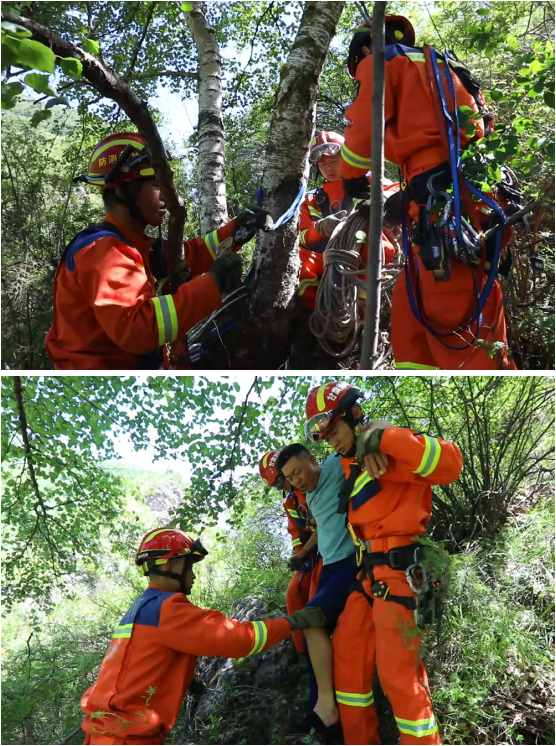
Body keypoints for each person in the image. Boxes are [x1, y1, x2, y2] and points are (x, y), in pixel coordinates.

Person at [341, 16, 516, 370]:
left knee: (450, 313)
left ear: (364, 49)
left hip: (442, 204)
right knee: (410, 314)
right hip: (474, 200)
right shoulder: (446, 67)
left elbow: (362, 131)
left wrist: (351, 177)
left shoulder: (381, 61)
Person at [305, 381, 463, 745]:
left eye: (335, 432)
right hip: (369, 577)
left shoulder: (391, 444)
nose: (333, 442)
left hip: (400, 573)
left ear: (354, 414)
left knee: (397, 675)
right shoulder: (350, 463)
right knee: (347, 656)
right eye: (326, 439)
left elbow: (450, 462)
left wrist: (385, 440)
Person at [80, 528, 326, 745]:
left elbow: (139, 661)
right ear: (170, 566)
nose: (193, 576)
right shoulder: (168, 608)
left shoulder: (140, 608)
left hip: (104, 735)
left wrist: (188, 681)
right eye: (189, 566)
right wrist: (294, 621)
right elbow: (240, 639)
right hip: (126, 739)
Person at [47, 132, 270, 370]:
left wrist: (236, 231)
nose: (167, 196)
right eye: (156, 185)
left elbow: (188, 255)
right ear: (123, 191)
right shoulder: (104, 251)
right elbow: (137, 327)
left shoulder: (132, 244)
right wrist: (215, 282)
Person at [277, 444, 358, 732]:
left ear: (312, 459)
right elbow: (323, 527)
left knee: (311, 619)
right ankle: (319, 707)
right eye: (290, 477)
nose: (296, 480)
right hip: (329, 567)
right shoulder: (308, 496)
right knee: (312, 632)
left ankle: (326, 708)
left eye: (298, 471)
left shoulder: (335, 465)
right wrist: (302, 554)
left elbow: (372, 427)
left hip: (350, 563)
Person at [259, 450, 323, 730]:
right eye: (279, 484)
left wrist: (305, 552)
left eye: (283, 481)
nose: (286, 485)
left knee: (312, 600)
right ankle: (303, 651)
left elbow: (324, 526)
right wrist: (299, 556)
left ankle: (315, 644)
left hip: (327, 552)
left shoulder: (314, 483)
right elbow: (297, 534)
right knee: (293, 595)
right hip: (311, 555)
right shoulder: (291, 501)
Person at [299, 130, 397, 311]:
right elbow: (302, 236)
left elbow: (397, 190)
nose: (329, 168)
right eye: (323, 165)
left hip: (366, 250)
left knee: (374, 247)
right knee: (299, 263)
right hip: (326, 257)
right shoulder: (312, 199)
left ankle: (359, 318)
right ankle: (317, 317)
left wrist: (383, 197)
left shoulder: (368, 180)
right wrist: (319, 228)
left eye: (335, 162)